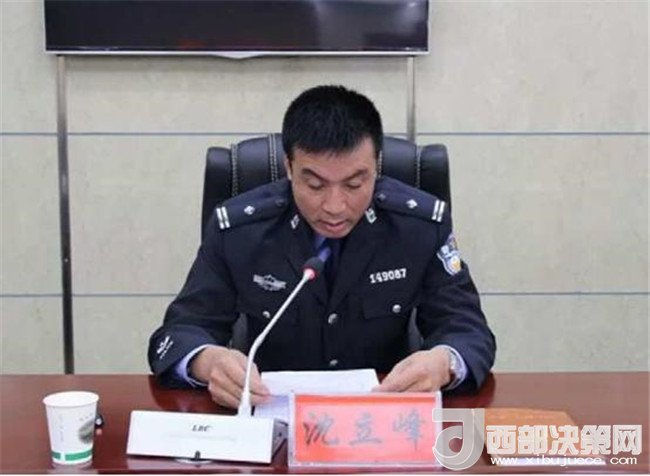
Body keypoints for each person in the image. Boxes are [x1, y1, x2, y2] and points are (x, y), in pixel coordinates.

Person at [148, 85, 496, 409]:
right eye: (315, 185)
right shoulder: (240, 231)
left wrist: (445, 362)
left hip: (381, 421)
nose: (334, 206)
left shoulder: (419, 227)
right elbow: (180, 332)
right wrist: (206, 361)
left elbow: (467, 330)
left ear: (376, 167)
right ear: (289, 167)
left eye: (354, 184)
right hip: (270, 418)